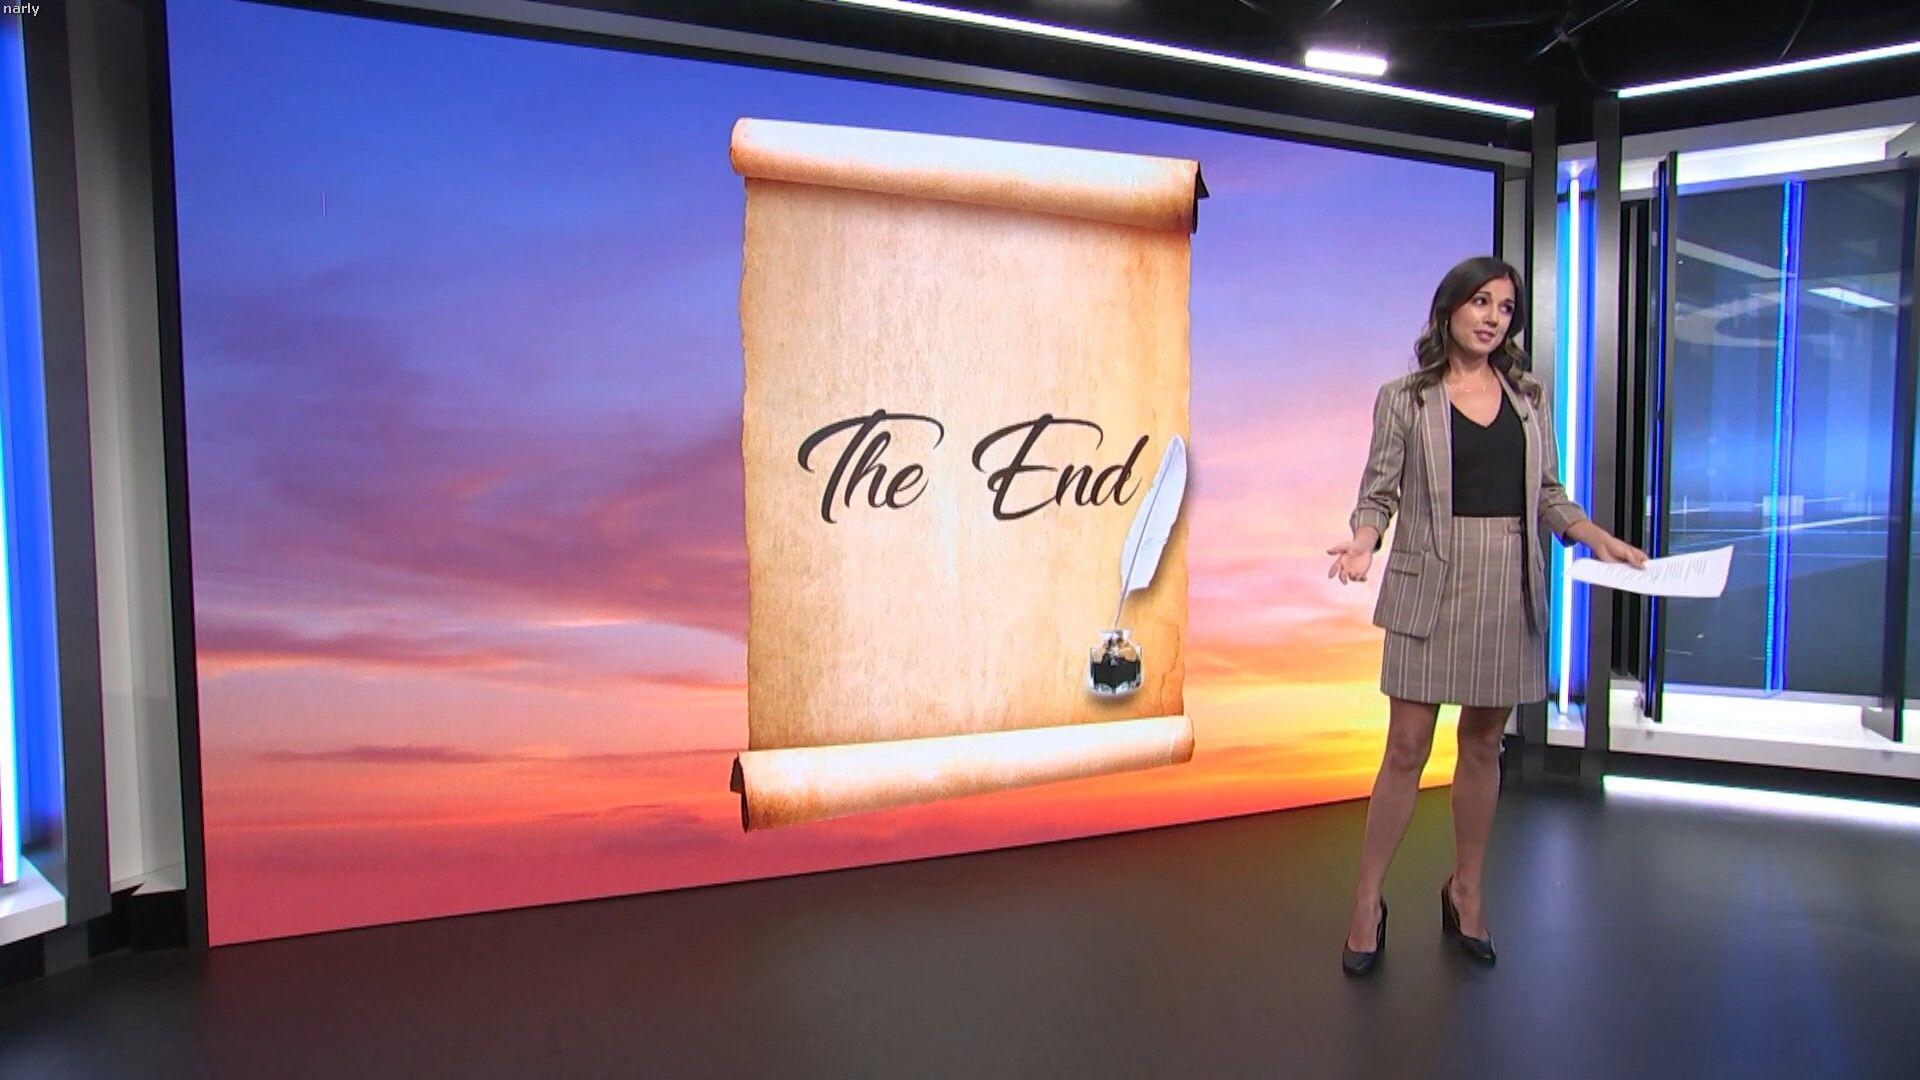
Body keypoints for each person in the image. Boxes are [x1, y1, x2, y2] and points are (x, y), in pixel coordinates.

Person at [1327, 255, 1646, 976]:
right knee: (1406, 747)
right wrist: (1365, 540)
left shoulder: (1528, 396)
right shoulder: (1404, 398)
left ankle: (1466, 889)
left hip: (1508, 579)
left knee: (1481, 745)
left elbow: (1549, 492)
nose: (1493, 317)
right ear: (1449, 309)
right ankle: (1367, 899)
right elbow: (1378, 493)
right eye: (1480, 302)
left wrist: (1592, 536)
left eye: (1505, 308)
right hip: (1429, 580)